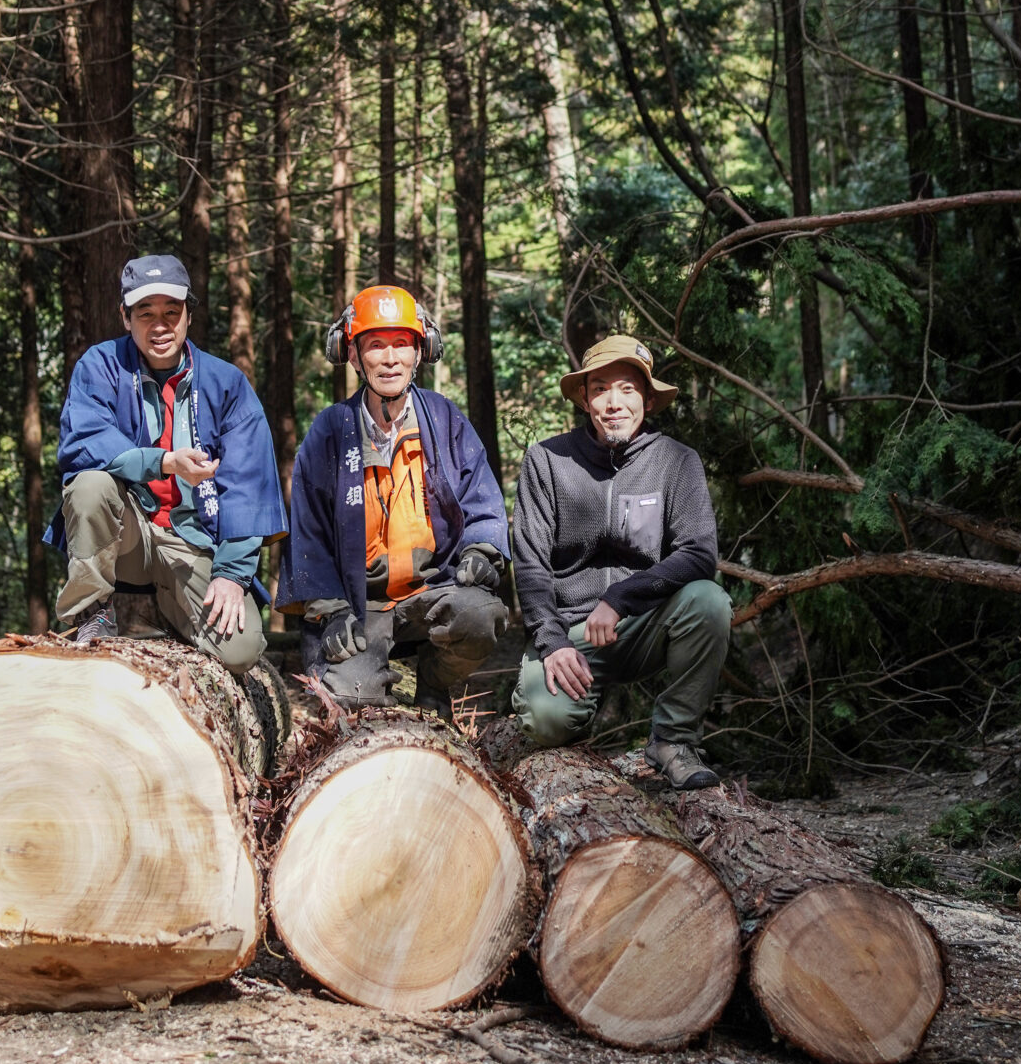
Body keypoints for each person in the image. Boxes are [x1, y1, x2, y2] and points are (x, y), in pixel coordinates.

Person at [48, 253, 286, 677]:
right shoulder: (101, 366)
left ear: (188, 316)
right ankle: (92, 615)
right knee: (88, 485)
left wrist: (232, 574)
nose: (160, 326)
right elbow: (84, 442)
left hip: (193, 540)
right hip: (129, 534)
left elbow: (249, 486)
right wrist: (164, 462)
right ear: (125, 317)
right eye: (146, 313)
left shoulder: (226, 383)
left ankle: (172, 617)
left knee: (239, 651)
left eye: (171, 313)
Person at [279, 284, 510, 718]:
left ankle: (435, 683)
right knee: (349, 697)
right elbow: (307, 534)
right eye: (376, 345)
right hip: (360, 602)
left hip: (433, 590)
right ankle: (371, 678)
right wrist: (331, 609)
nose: (390, 358)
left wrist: (483, 549)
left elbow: (482, 499)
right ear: (352, 355)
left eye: (402, 344)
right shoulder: (329, 431)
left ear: (421, 351)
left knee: (480, 617)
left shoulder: (445, 419)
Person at [510, 334, 731, 788]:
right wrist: (551, 640)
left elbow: (699, 555)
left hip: (646, 624)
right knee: (547, 722)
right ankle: (575, 745)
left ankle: (672, 740)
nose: (613, 402)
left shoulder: (676, 462)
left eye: (627, 389)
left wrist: (620, 598)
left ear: (647, 399)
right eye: (599, 389)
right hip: (571, 633)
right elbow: (529, 561)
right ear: (585, 400)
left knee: (709, 602)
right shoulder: (547, 461)